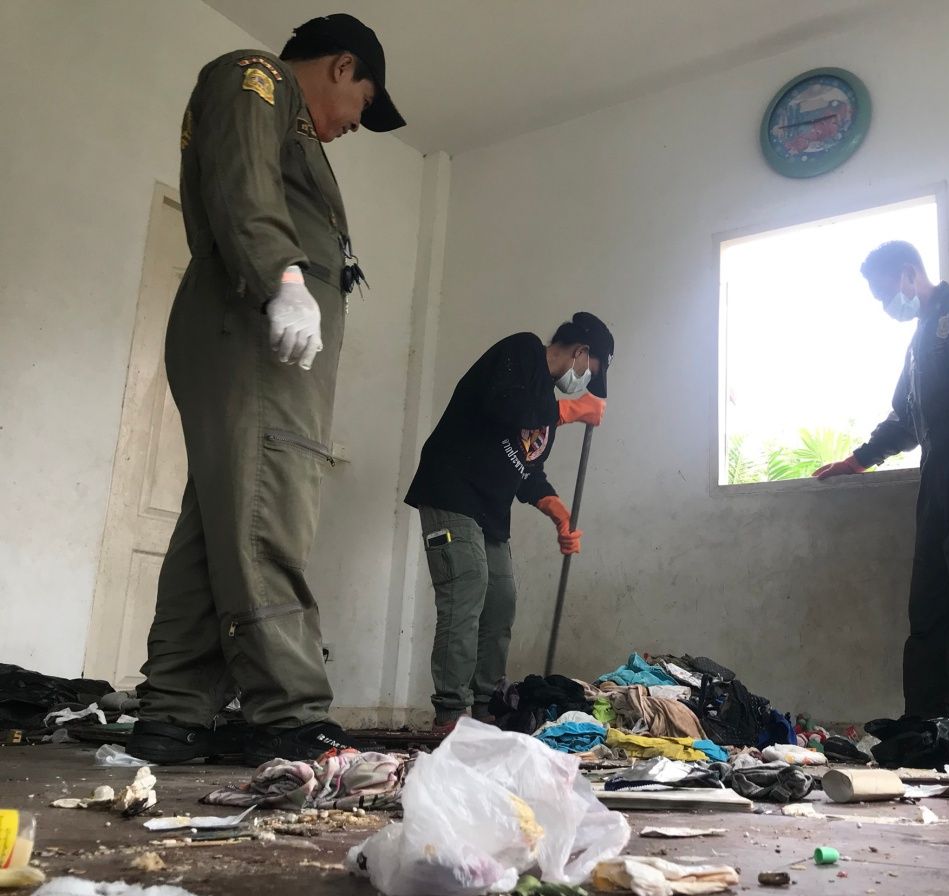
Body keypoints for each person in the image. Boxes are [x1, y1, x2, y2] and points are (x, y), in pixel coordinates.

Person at [127, 14, 405, 767]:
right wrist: (284, 276)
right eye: (363, 102)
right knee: (266, 508)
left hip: (256, 334)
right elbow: (243, 175)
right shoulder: (258, 77)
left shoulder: (288, 114)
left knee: (219, 523)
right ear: (342, 66)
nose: (356, 124)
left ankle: (175, 712)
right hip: (254, 328)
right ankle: (288, 712)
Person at [814, 241, 949, 735]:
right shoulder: (918, 345)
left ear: (910, 274)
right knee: (930, 595)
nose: (884, 304)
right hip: (938, 477)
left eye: (884, 292)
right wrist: (858, 460)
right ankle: (924, 719)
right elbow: (905, 418)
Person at [405, 313, 614, 732]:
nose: (584, 383)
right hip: (451, 490)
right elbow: (503, 404)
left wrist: (560, 515)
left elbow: (528, 472)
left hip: (490, 512)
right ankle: (451, 713)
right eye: (589, 372)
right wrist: (569, 411)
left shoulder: (546, 409)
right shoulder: (522, 352)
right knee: (467, 586)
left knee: (501, 601)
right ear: (580, 352)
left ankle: (487, 707)